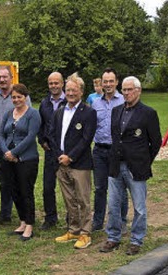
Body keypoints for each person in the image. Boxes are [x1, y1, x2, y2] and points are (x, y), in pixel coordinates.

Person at [100, 76, 162, 256]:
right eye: (124, 90)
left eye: (130, 90)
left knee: (139, 208)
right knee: (113, 204)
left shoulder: (148, 113)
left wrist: (144, 161)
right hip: (116, 166)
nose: (126, 93)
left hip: (136, 168)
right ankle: (113, 237)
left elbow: (156, 142)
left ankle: (136, 240)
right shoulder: (116, 111)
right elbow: (115, 137)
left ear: (138, 91)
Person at [49, 73, 97, 249]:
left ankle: (85, 233)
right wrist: (60, 155)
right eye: (67, 89)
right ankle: (74, 230)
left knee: (83, 200)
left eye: (73, 90)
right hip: (61, 163)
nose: (70, 93)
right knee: (69, 199)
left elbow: (86, 139)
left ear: (81, 92)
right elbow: (51, 135)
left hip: (80, 164)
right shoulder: (60, 111)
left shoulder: (89, 112)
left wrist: (71, 157)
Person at [0, 83, 40, 241]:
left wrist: (15, 153)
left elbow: (30, 137)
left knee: (25, 191)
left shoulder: (33, 114)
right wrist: (6, 152)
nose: (16, 100)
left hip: (26, 159)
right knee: (14, 190)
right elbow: (1, 134)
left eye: (19, 97)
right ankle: (22, 221)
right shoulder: (9, 114)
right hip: (8, 158)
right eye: (13, 97)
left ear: (25, 97)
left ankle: (29, 225)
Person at [0, 66, 31, 225]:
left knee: (20, 180)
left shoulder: (20, 96)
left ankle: (25, 214)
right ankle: (5, 213)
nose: (1, 80)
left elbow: (28, 119)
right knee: (4, 180)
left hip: (17, 145)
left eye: (4, 77)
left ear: (11, 77)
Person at [90, 68, 128, 232]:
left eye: (111, 81)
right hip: (99, 150)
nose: (108, 84)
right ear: (101, 83)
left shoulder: (123, 101)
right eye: (105, 81)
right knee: (99, 188)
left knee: (120, 187)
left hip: (117, 151)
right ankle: (98, 222)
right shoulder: (96, 102)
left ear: (117, 82)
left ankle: (122, 221)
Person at [37, 72, 66, 230]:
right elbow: (40, 124)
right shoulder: (44, 103)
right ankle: (50, 218)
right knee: (48, 186)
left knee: (69, 187)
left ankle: (72, 217)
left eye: (56, 83)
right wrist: (41, 141)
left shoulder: (69, 101)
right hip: (49, 151)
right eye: (51, 83)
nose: (53, 86)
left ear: (62, 83)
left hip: (65, 151)